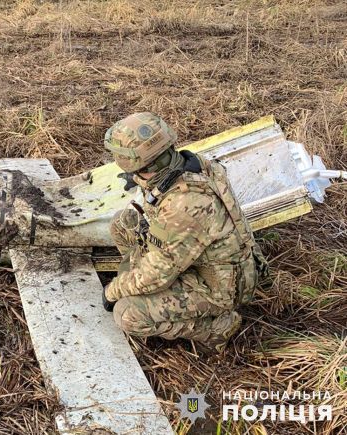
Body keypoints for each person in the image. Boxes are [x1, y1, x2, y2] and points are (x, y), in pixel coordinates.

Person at [101, 112, 268, 353]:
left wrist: (113, 290)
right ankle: (138, 279)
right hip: (201, 259)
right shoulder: (191, 163)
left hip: (219, 288)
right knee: (122, 223)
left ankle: (216, 328)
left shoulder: (185, 204)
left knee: (126, 313)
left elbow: (157, 275)